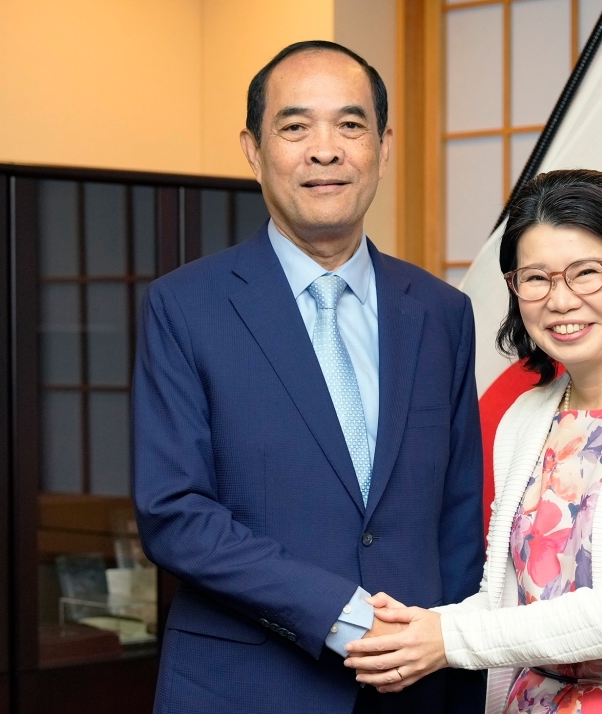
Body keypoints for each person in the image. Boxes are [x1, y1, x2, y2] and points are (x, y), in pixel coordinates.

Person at [133, 40, 486, 714]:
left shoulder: (442, 313)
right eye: (295, 127)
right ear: (252, 147)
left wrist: (454, 663)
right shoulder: (186, 306)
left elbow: (458, 520)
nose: (325, 150)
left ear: (383, 147)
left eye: (350, 126)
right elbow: (173, 512)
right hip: (245, 689)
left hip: (416, 688)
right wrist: (344, 614)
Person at [345, 169, 602, 714]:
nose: (560, 300)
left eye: (586, 273)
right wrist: (416, 628)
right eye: (536, 278)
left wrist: (444, 641)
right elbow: (499, 600)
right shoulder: (526, 416)